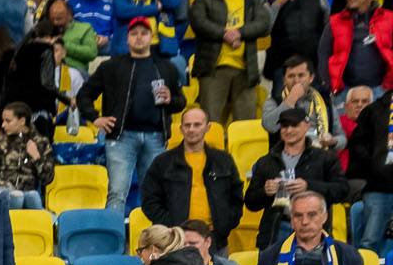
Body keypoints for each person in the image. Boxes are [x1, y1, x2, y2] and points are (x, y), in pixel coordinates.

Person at [79, 17, 184, 211]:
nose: (139, 37)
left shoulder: (167, 67)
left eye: (144, 33)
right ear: (127, 38)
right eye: (134, 33)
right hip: (121, 138)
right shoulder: (111, 66)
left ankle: (151, 232)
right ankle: (114, 231)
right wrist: (95, 118)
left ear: (151, 37)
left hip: (156, 137)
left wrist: (171, 99)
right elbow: (84, 94)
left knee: (154, 194)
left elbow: (181, 102)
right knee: (117, 193)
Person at [140, 108, 242, 252]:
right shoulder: (162, 162)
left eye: (197, 125)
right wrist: (171, 226)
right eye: (187, 125)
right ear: (181, 129)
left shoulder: (223, 160)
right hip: (176, 242)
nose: (191, 129)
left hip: (215, 240)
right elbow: (149, 200)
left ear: (207, 127)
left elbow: (236, 197)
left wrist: (225, 224)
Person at [248, 109, 347, 251]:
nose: (289, 130)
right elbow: (250, 202)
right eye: (284, 126)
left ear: (307, 126)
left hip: (313, 229)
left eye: (294, 125)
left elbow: (342, 190)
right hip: (276, 230)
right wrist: (265, 192)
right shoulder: (266, 161)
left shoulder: (325, 158)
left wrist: (309, 186)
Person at [189, 0, 270, 124]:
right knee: (209, 123)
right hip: (214, 69)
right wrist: (224, 34)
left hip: (246, 70)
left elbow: (264, 24)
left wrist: (240, 33)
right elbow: (198, 21)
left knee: (246, 125)